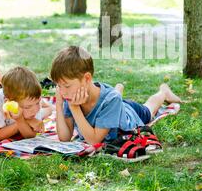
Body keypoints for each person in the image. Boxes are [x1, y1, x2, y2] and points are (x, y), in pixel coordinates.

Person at [50, 46, 181, 144]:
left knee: (148, 110)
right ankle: (118, 89)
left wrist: (74, 109)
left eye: (66, 86)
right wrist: (59, 105)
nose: (62, 92)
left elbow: (94, 140)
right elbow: (65, 137)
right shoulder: (70, 96)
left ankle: (163, 92)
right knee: (115, 98)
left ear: (87, 78)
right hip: (114, 103)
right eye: (59, 86)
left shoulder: (110, 100)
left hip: (128, 114)